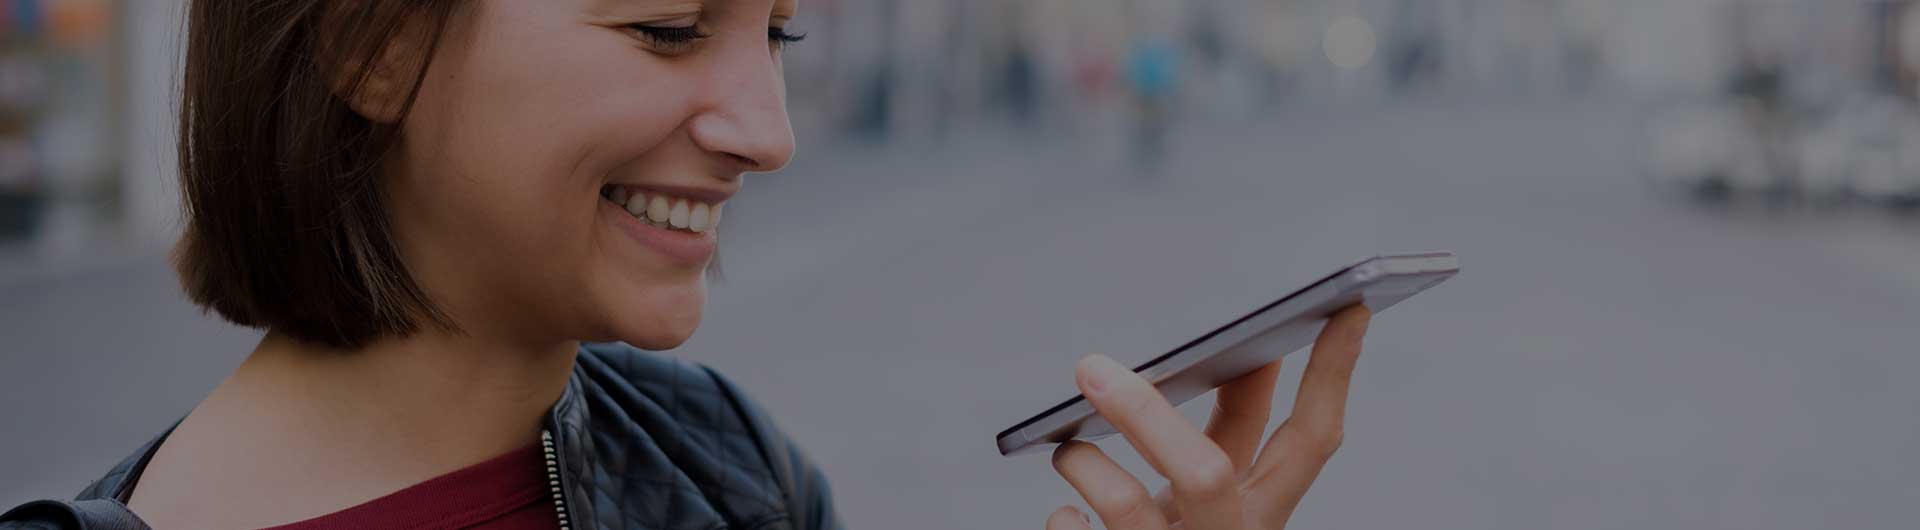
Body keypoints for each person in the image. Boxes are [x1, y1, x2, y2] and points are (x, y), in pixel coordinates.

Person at [0, 1, 1375, 529]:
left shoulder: (730, 468)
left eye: (775, 37)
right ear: (369, 43)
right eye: (666, 28)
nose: (766, 135)